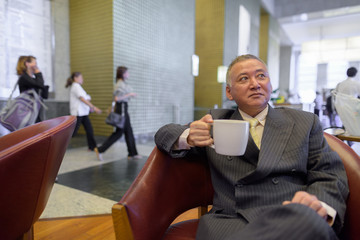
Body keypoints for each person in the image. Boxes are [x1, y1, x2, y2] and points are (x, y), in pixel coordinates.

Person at [154, 54, 349, 240]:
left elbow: (329, 173)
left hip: (290, 216)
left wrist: (320, 207)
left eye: (261, 76)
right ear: (229, 92)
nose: (255, 84)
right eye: (244, 78)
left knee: (304, 223)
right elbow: (163, 134)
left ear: (270, 84)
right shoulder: (215, 123)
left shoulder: (304, 122)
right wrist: (189, 136)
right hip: (231, 220)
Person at [95, 66, 140, 161]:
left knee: (128, 132)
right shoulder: (120, 84)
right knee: (120, 133)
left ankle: (132, 154)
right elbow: (117, 98)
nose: (128, 74)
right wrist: (130, 94)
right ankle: (100, 150)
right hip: (122, 110)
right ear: (123, 74)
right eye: (127, 73)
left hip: (123, 109)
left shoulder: (122, 83)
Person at [65, 72, 102, 155]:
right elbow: (82, 99)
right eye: (81, 77)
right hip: (78, 113)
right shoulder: (76, 86)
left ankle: (92, 147)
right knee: (73, 132)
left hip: (83, 113)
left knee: (89, 129)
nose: (82, 79)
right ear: (75, 78)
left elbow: (84, 99)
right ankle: (58, 144)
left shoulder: (78, 87)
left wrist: (89, 108)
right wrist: (93, 107)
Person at [17, 55, 47, 122]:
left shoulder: (31, 79)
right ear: (27, 64)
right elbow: (40, 85)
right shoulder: (24, 78)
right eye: (34, 63)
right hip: (28, 111)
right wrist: (38, 73)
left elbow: (44, 94)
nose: (36, 66)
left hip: (34, 111)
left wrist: (39, 76)